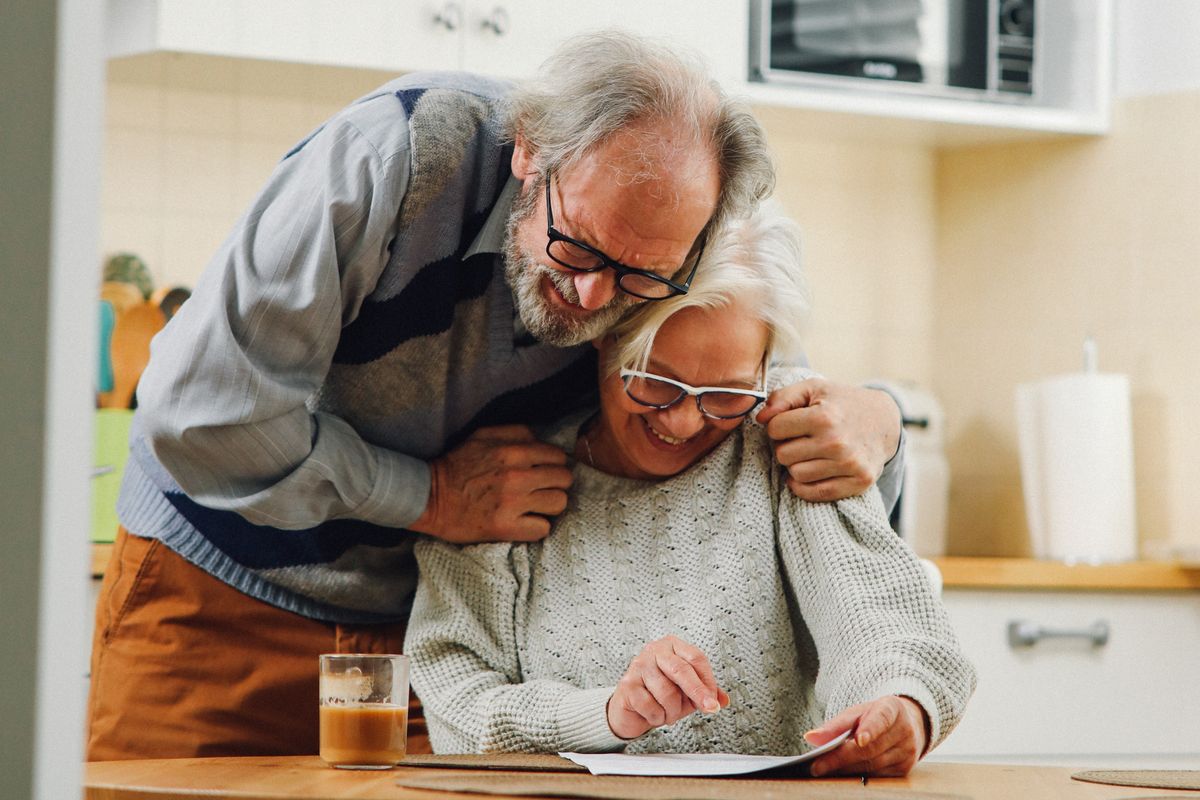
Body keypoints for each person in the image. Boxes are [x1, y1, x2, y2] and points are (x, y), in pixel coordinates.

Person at [87, 32, 907, 761]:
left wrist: (881, 420)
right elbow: (202, 418)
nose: (592, 298)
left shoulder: (678, 236)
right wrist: (431, 496)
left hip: (427, 639)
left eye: (639, 277)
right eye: (575, 245)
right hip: (218, 600)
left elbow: (759, 400)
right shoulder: (395, 154)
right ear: (528, 152)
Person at [406, 206, 975, 775]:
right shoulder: (503, 488)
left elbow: (885, 621)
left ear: (764, 369)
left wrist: (903, 706)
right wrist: (604, 714)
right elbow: (457, 707)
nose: (681, 423)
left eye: (726, 395)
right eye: (654, 380)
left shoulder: (785, 442)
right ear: (603, 342)